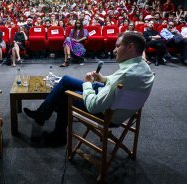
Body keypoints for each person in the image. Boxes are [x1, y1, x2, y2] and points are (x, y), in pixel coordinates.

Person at [24, 31, 155, 146]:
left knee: (65, 94)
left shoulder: (125, 75)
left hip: (108, 114)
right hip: (117, 101)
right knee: (65, 80)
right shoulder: (143, 67)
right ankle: (42, 114)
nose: (114, 50)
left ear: (131, 47)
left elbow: (93, 106)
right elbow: (118, 82)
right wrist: (103, 79)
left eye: (118, 46)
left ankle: (58, 135)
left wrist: (87, 84)